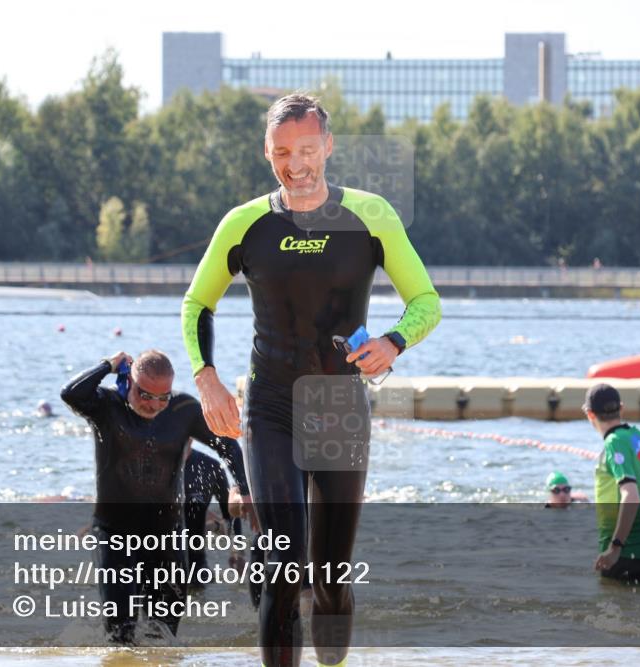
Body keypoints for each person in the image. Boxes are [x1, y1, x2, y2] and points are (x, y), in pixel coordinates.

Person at [181, 93, 441, 667]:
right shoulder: (245, 223)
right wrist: (207, 378)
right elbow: (198, 304)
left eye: (305, 150)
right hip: (270, 408)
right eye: (281, 152)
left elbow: (425, 300)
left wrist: (393, 340)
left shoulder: (371, 217)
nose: (295, 164)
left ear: (327, 146)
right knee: (283, 566)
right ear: (266, 152)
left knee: (330, 577)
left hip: (340, 408)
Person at [60, 349, 251, 644]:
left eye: (162, 397)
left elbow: (228, 446)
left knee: (163, 636)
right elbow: (71, 393)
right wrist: (108, 365)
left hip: (166, 537)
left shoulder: (183, 410)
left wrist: (244, 490)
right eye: (145, 394)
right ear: (128, 383)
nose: (153, 404)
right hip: (114, 534)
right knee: (119, 631)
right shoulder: (107, 406)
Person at [586, 383, 640, 584]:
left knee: (616, 609)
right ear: (621, 408)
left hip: (624, 552)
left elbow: (631, 495)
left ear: (590, 415)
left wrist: (615, 547)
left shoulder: (614, 442)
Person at [183, 438, 241, 588]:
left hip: (196, 567)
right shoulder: (151, 461)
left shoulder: (210, 466)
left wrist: (237, 552)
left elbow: (231, 516)